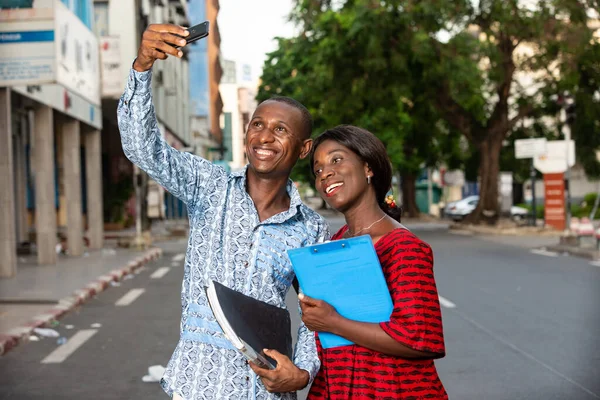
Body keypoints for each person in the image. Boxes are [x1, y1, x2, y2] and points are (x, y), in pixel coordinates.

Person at [117, 24, 329, 400]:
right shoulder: (209, 186)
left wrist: (301, 372)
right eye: (258, 125)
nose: (264, 137)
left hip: (265, 391)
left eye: (281, 130)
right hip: (197, 384)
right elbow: (141, 147)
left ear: (303, 148)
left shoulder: (310, 228)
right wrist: (142, 66)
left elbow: (315, 315)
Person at [300, 125, 448, 399]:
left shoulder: (403, 247)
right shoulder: (334, 243)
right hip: (340, 387)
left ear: (368, 167)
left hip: (392, 390)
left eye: (336, 159)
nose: (325, 174)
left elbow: (420, 340)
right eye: (317, 170)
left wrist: (332, 322)